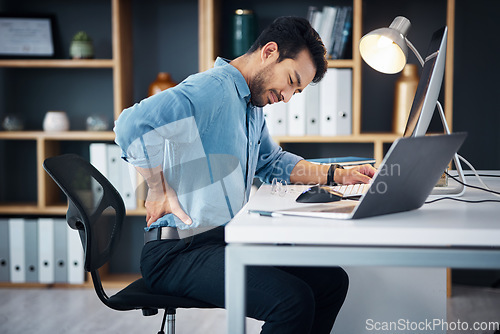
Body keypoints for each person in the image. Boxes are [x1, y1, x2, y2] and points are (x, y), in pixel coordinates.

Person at [114, 16, 376, 334]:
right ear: (269, 52)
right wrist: (158, 187)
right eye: (291, 81)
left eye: (297, 91)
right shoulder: (213, 88)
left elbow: (272, 161)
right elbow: (130, 124)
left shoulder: (250, 105)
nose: (288, 97)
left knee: (330, 283)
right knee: (291, 302)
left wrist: (337, 175)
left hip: (221, 242)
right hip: (178, 252)